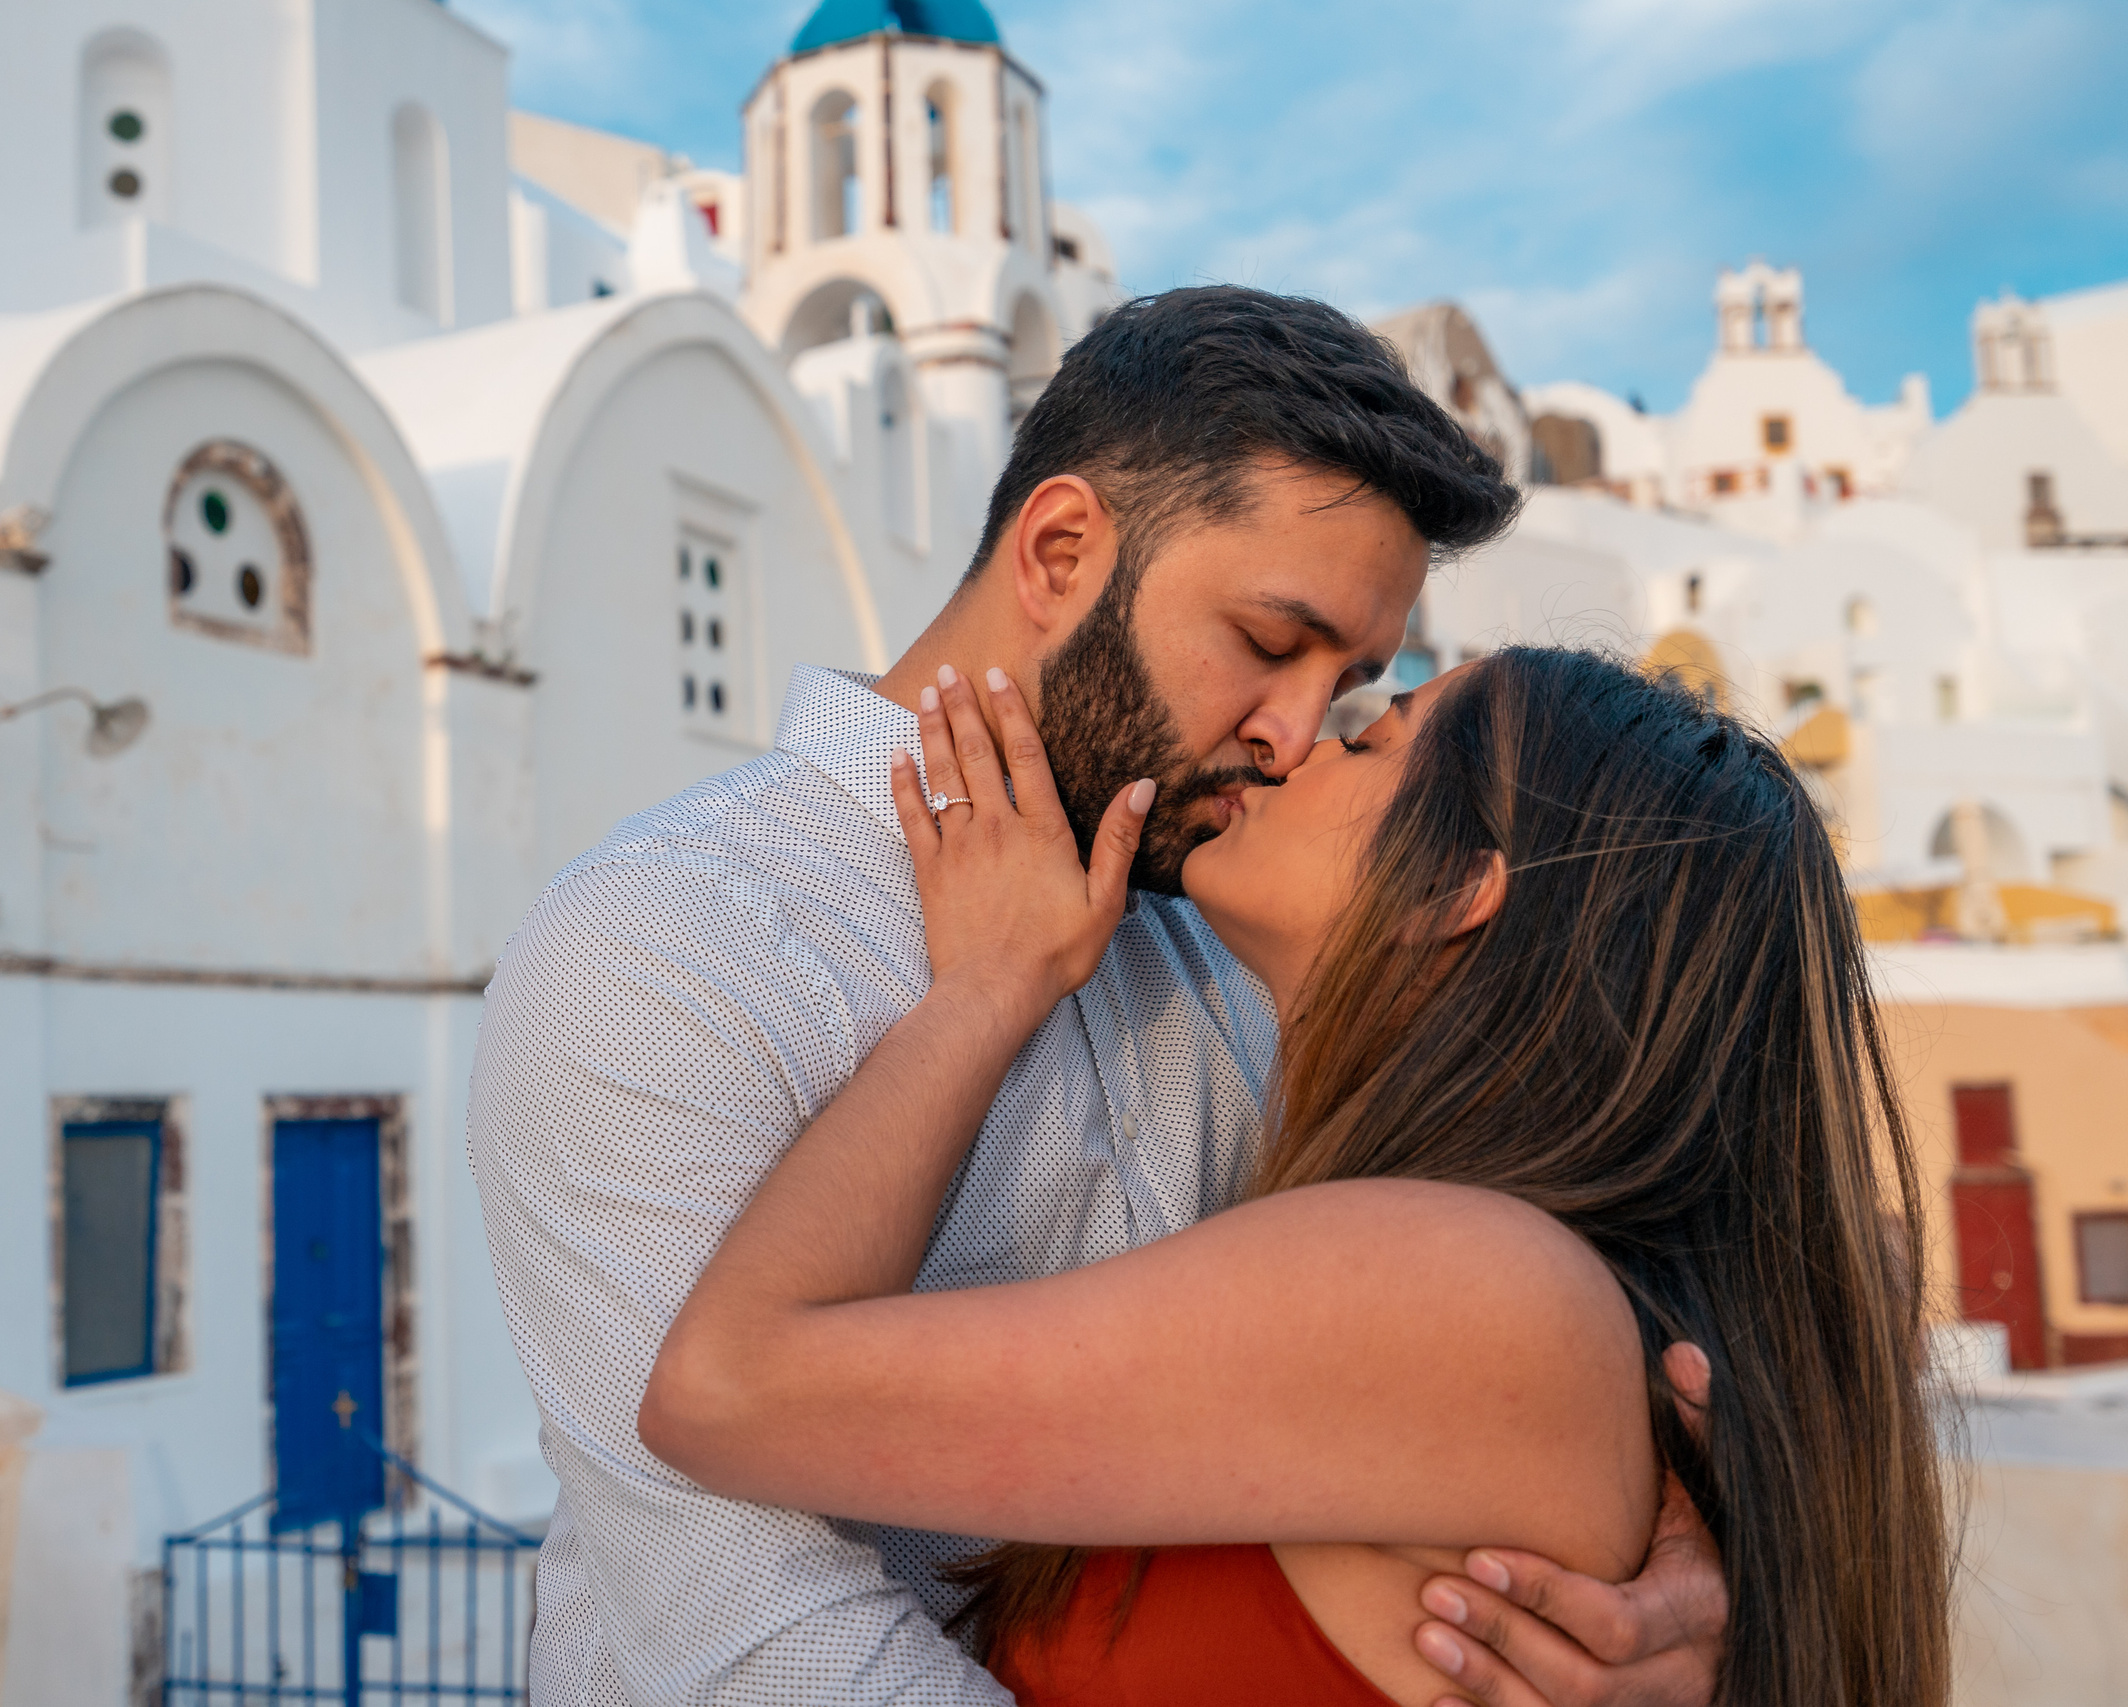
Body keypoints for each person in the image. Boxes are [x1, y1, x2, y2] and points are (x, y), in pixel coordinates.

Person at [468, 286, 1729, 1705]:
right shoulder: (664, 949)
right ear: (1062, 550)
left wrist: (1672, 1587)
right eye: (1268, 643)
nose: (1294, 735)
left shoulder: (1231, 949)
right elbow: (754, 1640)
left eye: (1355, 685)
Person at [640, 648, 1950, 1707]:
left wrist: (990, 987)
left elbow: (724, 1391)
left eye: (1374, 739)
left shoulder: (1459, 1286)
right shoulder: (1491, 1282)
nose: (1302, 738)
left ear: (1459, 886)